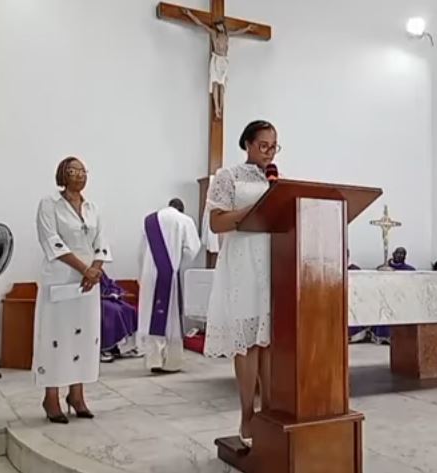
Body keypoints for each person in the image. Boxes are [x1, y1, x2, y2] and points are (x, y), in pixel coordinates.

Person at [204, 120, 280, 446]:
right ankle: (247, 415)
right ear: (247, 144)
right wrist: (254, 210)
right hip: (243, 263)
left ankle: (270, 411)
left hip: (273, 263)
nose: (269, 152)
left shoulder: (276, 180)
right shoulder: (228, 176)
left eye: (274, 146)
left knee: (269, 341)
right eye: (263, 145)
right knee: (247, 341)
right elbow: (216, 222)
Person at [33, 157, 111, 424]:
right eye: (73, 170)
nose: (79, 175)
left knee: (84, 337)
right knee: (56, 338)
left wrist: (95, 269)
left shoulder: (92, 207)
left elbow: (101, 242)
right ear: (62, 175)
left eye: (82, 171)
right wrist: (84, 269)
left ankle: (76, 395)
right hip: (61, 278)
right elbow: (51, 241)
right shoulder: (49, 204)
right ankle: (51, 397)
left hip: (88, 283)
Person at [137, 198, 201, 373]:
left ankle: (153, 359)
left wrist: (143, 273)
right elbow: (192, 249)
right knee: (171, 318)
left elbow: (141, 251)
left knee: (152, 316)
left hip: (149, 274)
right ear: (181, 209)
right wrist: (177, 265)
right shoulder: (185, 220)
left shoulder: (150, 220)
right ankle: (171, 362)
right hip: (169, 274)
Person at [182, 8, 255, 120]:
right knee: (215, 84)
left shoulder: (227, 35)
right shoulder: (213, 33)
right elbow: (200, 24)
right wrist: (190, 14)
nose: (219, 27)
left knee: (222, 85)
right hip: (216, 59)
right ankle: (216, 108)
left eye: (221, 25)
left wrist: (247, 28)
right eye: (218, 26)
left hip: (224, 61)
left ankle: (220, 107)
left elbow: (238, 31)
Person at [99, 272, 138, 363]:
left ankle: (124, 348)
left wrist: (113, 293)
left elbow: (109, 283)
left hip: (107, 298)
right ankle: (106, 348)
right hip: (95, 300)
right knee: (112, 311)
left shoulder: (98, 269)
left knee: (128, 309)